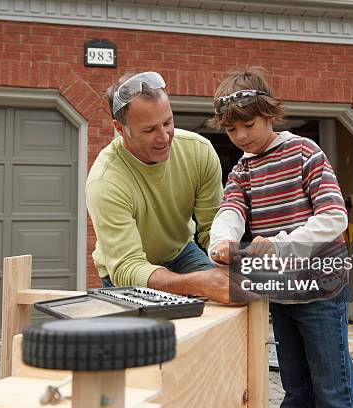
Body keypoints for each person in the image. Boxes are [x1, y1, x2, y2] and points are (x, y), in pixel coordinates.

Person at [208, 67, 353, 407]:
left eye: (248, 125)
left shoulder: (303, 152)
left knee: (332, 388)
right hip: (280, 291)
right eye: (232, 129)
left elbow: (334, 217)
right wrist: (221, 242)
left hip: (320, 289)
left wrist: (278, 244)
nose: (241, 136)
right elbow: (231, 210)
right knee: (296, 388)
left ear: (268, 114)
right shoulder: (242, 170)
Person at [86, 71, 247, 304]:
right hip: (127, 270)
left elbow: (211, 227)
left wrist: (226, 253)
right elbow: (128, 266)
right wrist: (198, 283)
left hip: (180, 252)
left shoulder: (198, 152)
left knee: (232, 294)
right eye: (149, 130)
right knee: (150, 337)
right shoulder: (105, 181)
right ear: (120, 129)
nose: (164, 137)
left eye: (168, 122)